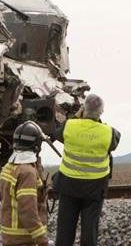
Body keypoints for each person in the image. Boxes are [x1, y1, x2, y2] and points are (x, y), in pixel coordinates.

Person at [54, 94, 121, 246]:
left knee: (64, 231)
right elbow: (114, 144)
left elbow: (57, 134)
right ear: (101, 112)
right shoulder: (109, 132)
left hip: (68, 186)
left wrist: (78, 116)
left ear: (83, 109)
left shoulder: (69, 126)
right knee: (89, 232)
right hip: (95, 189)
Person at [0, 120, 50, 246]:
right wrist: (42, 240)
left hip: (11, 235)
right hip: (23, 237)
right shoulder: (27, 172)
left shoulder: (9, 167)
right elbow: (27, 210)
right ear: (36, 145)